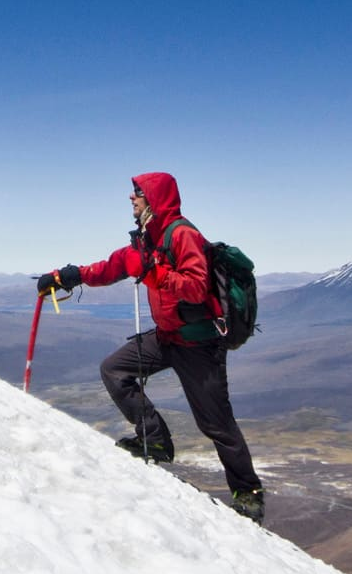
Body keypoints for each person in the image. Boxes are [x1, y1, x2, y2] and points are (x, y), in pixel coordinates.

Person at [39, 172, 265, 523]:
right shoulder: (148, 238)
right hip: (166, 337)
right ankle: (156, 440)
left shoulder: (183, 234)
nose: (132, 199)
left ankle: (248, 491)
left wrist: (151, 272)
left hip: (198, 344)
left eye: (139, 193)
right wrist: (68, 275)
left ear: (156, 198)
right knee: (115, 370)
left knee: (216, 424)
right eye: (133, 193)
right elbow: (112, 267)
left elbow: (194, 287)